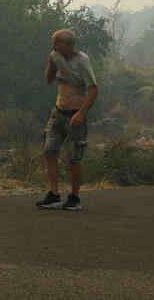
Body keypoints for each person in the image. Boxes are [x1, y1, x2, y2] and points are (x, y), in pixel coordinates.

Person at [36, 29, 98, 211]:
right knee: (49, 151)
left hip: (75, 116)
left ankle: (75, 197)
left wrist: (81, 114)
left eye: (57, 43)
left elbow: (94, 90)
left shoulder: (82, 61)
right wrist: (50, 66)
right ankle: (54, 195)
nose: (53, 47)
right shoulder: (56, 57)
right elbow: (49, 80)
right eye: (53, 42)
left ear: (69, 45)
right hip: (58, 113)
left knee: (73, 158)